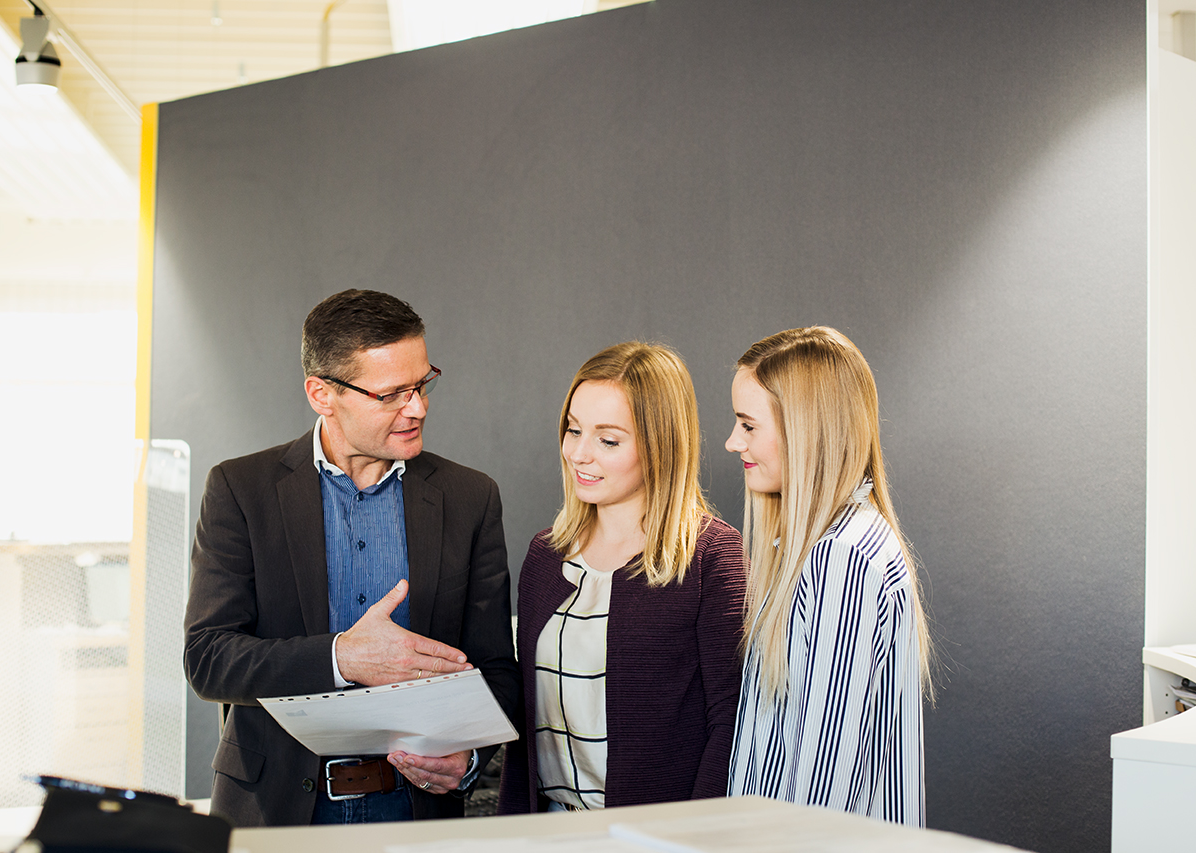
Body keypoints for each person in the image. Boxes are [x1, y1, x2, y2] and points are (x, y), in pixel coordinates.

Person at [184, 289, 520, 827]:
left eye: (421, 384)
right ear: (322, 394)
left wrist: (469, 757)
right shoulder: (240, 489)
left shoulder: (470, 497)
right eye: (391, 395)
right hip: (276, 815)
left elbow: (495, 668)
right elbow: (208, 660)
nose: (417, 408)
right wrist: (343, 659)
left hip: (417, 814)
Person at [498, 342, 746, 813]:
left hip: (657, 839)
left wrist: (694, 841)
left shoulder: (713, 557)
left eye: (608, 440)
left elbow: (731, 727)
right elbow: (526, 725)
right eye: (573, 431)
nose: (579, 454)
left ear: (661, 445)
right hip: (544, 833)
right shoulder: (544, 555)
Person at [724, 326, 931, 826]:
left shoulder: (843, 558)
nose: (733, 443)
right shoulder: (819, 546)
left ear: (806, 432)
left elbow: (821, 781)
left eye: (748, 426)